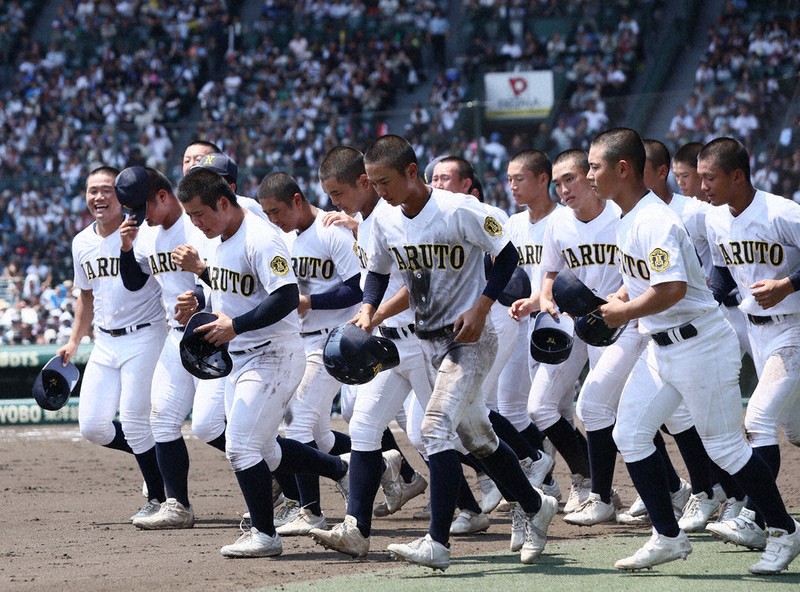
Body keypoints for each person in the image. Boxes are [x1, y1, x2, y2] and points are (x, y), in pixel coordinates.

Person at [589, 127, 799, 574]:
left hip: (700, 343)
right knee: (629, 435)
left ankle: (784, 530)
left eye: (594, 166)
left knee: (725, 447)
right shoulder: (629, 218)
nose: (590, 175)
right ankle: (667, 536)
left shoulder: (654, 220)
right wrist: (622, 300)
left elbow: (671, 289)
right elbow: (646, 282)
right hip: (662, 346)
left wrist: (621, 315)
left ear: (622, 169)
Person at [354, 134, 558, 570]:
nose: (380, 192)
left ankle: (437, 542)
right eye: (373, 183)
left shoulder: (459, 209)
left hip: (470, 339)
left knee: (433, 431)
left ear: (412, 172)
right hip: (429, 340)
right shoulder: (387, 221)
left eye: (385, 181)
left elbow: (507, 257)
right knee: (478, 439)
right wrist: (370, 308)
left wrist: (483, 306)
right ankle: (533, 503)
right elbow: (377, 272)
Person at [175, 167, 349, 558]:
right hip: (243, 358)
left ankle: (264, 534)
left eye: (199, 214)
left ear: (223, 202)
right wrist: (200, 305)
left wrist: (236, 326)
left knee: (240, 448)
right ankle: (344, 470)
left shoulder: (259, 236)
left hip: (274, 353)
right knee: (266, 449)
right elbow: (234, 295)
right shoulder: (222, 239)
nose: (195, 223)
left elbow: (286, 296)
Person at [308, 145, 431, 557]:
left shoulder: (393, 217)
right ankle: (356, 530)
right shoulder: (367, 220)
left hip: (426, 340)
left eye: (338, 194)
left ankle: (529, 498)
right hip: (392, 345)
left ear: (364, 182)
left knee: (460, 434)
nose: (333, 204)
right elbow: (377, 274)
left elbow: (414, 284)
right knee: (363, 428)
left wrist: (371, 316)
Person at [430, 155, 554, 523]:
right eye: (433, 178)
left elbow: (510, 270)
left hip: (494, 315)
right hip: (455, 323)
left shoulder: (482, 214)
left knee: (474, 406)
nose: (437, 184)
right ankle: (520, 468)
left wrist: (488, 302)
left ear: (469, 185)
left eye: (445, 178)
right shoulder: (433, 218)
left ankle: (527, 465)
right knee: (472, 411)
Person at [532, 149, 645, 527]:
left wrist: (621, 299)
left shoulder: (619, 216)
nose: (563, 189)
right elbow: (551, 271)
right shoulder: (559, 223)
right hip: (579, 322)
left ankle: (668, 490)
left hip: (619, 322)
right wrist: (546, 296)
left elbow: (639, 273)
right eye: (557, 182)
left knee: (617, 410)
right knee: (542, 406)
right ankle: (591, 483)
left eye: (571, 179)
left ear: (591, 178)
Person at [701, 137, 800, 558]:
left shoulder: (782, 212)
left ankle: (759, 520)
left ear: (737, 175)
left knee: (757, 420)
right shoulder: (715, 220)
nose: (703, 186)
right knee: (795, 429)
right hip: (757, 331)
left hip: (794, 326)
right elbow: (723, 277)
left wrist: (787, 284)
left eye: (710, 177)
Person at [113, 166, 225, 529]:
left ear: (162, 196)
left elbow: (220, 276)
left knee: (215, 425)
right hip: (177, 337)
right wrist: (127, 249)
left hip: (215, 334)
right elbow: (134, 282)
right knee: (161, 418)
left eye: (140, 209)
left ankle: (287, 480)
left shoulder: (198, 225)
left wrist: (197, 295)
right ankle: (178, 505)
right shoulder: (144, 234)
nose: (136, 218)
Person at [57, 166, 168, 522]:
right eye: (92, 190)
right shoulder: (81, 242)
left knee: (135, 419)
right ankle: (154, 458)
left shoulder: (144, 233)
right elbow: (85, 296)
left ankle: (159, 496)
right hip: (105, 341)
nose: (99, 197)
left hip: (147, 333)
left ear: (121, 197)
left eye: (107, 189)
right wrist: (74, 340)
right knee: (93, 426)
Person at [256, 172, 362, 536]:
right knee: (318, 432)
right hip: (301, 339)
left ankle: (310, 511)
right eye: (266, 213)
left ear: (297, 200)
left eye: (277, 210)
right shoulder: (283, 238)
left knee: (298, 421)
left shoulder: (331, 230)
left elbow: (358, 287)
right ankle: (382, 465)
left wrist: (310, 301)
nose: (273, 219)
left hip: (335, 338)